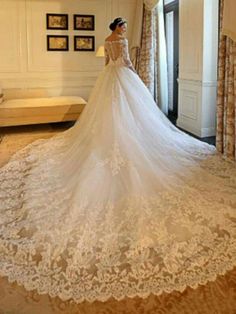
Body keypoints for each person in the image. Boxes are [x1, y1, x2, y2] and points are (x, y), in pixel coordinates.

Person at [0, 17, 235, 304]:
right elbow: (125, 63)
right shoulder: (120, 42)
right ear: (118, 28)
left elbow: (107, 65)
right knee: (132, 118)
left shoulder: (106, 42)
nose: (124, 30)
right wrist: (138, 79)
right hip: (122, 79)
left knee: (109, 120)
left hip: (107, 82)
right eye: (122, 27)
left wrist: (116, 74)